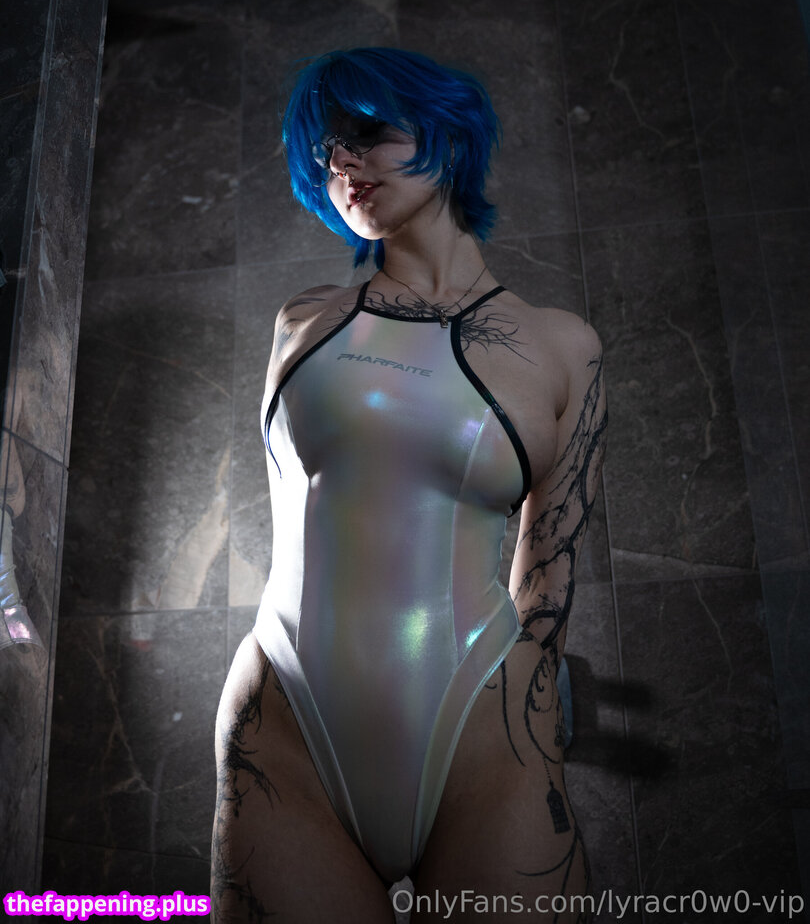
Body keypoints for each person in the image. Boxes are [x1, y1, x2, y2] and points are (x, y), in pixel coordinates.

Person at [210, 48, 607, 923]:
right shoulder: (304, 321)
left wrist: (536, 721)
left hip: (485, 734)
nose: (342, 161)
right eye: (325, 150)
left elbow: (549, 575)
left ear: (445, 133)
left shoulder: (562, 347)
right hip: (287, 722)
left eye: (365, 131)